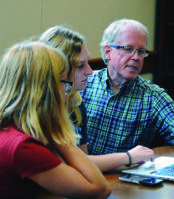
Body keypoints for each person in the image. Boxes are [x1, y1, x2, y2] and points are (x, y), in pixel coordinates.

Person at [81, 19, 174, 157]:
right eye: (128, 49)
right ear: (108, 51)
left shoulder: (153, 96)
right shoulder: (83, 84)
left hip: (123, 178)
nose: (136, 57)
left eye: (141, 51)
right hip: (80, 176)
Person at [0, 41, 111, 198]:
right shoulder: (23, 147)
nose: (65, 92)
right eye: (64, 82)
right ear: (46, 89)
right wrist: (59, 133)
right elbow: (100, 190)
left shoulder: (10, 130)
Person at [39, 25, 154, 172]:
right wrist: (127, 157)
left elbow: (82, 162)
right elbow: (74, 166)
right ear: (58, 69)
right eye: (80, 66)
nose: (89, 71)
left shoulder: (75, 101)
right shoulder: (41, 110)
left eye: (88, 62)